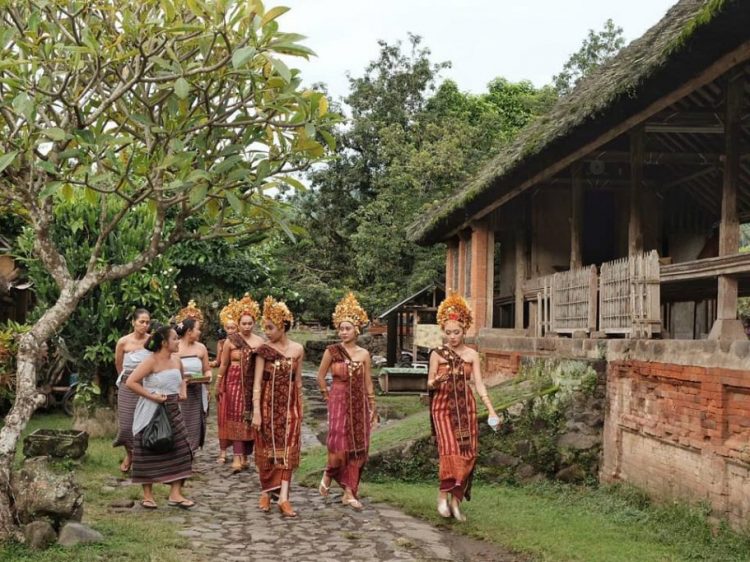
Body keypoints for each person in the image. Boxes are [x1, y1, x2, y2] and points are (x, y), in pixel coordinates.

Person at [428, 292, 499, 522]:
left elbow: (478, 384)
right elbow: (429, 382)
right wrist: (437, 381)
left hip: (465, 407)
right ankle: (442, 497)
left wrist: (490, 409)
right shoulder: (437, 355)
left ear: (464, 330)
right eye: (447, 333)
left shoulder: (472, 355)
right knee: (449, 452)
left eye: (456, 332)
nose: (451, 337)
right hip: (442, 407)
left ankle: (456, 502)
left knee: (467, 454)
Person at [316, 292, 376, 510]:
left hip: (359, 403)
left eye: (347, 328)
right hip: (339, 400)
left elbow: (368, 382)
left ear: (356, 330)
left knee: (357, 447)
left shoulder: (364, 354)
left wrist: (372, 405)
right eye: (340, 328)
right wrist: (326, 395)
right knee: (339, 445)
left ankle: (349, 492)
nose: (343, 332)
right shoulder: (332, 352)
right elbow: (320, 376)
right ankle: (330, 471)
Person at [126, 323, 194, 509]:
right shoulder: (151, 361)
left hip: (173, 409)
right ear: (164, 342)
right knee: (147, 447)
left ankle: (175, 493)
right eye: (174, 338)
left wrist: (183, 390)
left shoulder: (177, 360)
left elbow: (182, 378)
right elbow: (131, 382)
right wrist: (152, 396)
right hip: (151, 409)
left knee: (182, 448)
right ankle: (148, 495)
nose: (178, 341)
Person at [251, 296, 304, 517]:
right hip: (267, 406)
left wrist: (300, 408)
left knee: (288, 451)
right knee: (266, 450)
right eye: (265, 328)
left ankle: (283, 497)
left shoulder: (298, 350)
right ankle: (266, 491)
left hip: (290, 407)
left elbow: (298, 381)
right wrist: (256, 411)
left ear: (282, 326)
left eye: (271, 328)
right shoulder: (264, 350)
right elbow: (256, 384)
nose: (267, 332)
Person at [216, 295, 263, 472]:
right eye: (243, 323)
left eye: (249, 323)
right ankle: (236, 456)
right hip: (234, 381)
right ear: (238, 324)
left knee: (249, 417)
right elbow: (224, 364)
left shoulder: (259, 342)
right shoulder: (230, 341)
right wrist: (219, 383)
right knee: (235, 416)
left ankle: (245, 455)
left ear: (254, 323)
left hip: (252, 382)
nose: (246, 327)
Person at [113, 308, 151, 473]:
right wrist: (127, 379)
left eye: (147, 322)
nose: (144, 325)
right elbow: (118, 364)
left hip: (147, 384)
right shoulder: (123, 341)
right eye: (141, 321)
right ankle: (130, 454)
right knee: (127, 425)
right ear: (133, 322)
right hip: (127, 384)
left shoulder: (152, 340)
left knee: (145, 423)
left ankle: (143, 460)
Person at [175, 301, 212, 454]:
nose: (199, 332)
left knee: (196, 424)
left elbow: (207, 370)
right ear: (189, 331)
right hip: (180, 392)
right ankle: (180, 452)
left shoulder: (201, 348)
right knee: (180, 422)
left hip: (197, 391)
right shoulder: (175, 347)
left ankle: (192, 452)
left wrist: (206, 378)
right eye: (197, 329)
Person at [212, 314, 238, 463]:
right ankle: (222, 451)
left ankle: (238, 451)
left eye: (233, 327)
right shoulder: (222, 343)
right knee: (223, 415)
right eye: (228, 328)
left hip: (237, 381)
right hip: (225, 381)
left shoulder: (242, 343)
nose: (230, 330)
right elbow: (219, 361)